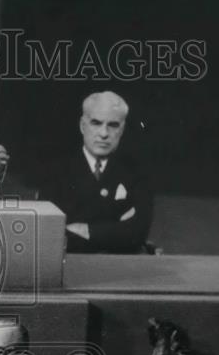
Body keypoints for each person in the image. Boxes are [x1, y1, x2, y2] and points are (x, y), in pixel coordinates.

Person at [42, 91, 153, 253]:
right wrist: (114, 230)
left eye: (113, 125)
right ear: (82, 125)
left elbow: (138, 233)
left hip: (120, 269)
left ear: (122, 129)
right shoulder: (55, 171)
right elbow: (51, 234)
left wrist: (88, 230)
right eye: (96, 123)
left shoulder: (136, 172)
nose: (104, 134)